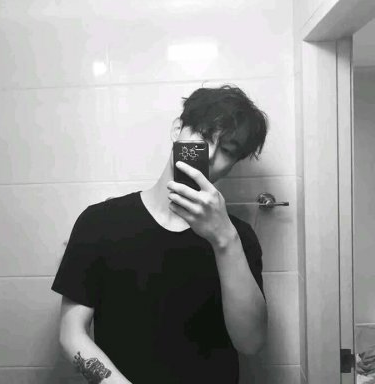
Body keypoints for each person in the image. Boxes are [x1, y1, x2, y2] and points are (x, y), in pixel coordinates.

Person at [51, 84, 269, 384]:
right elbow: (71, 334)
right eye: (203, 137)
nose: (209, 155)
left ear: (232, 165)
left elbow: (251, 343)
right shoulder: (99, 222)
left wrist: (224, 241)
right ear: (177, 129)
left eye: (228, 150)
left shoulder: (238, 238)